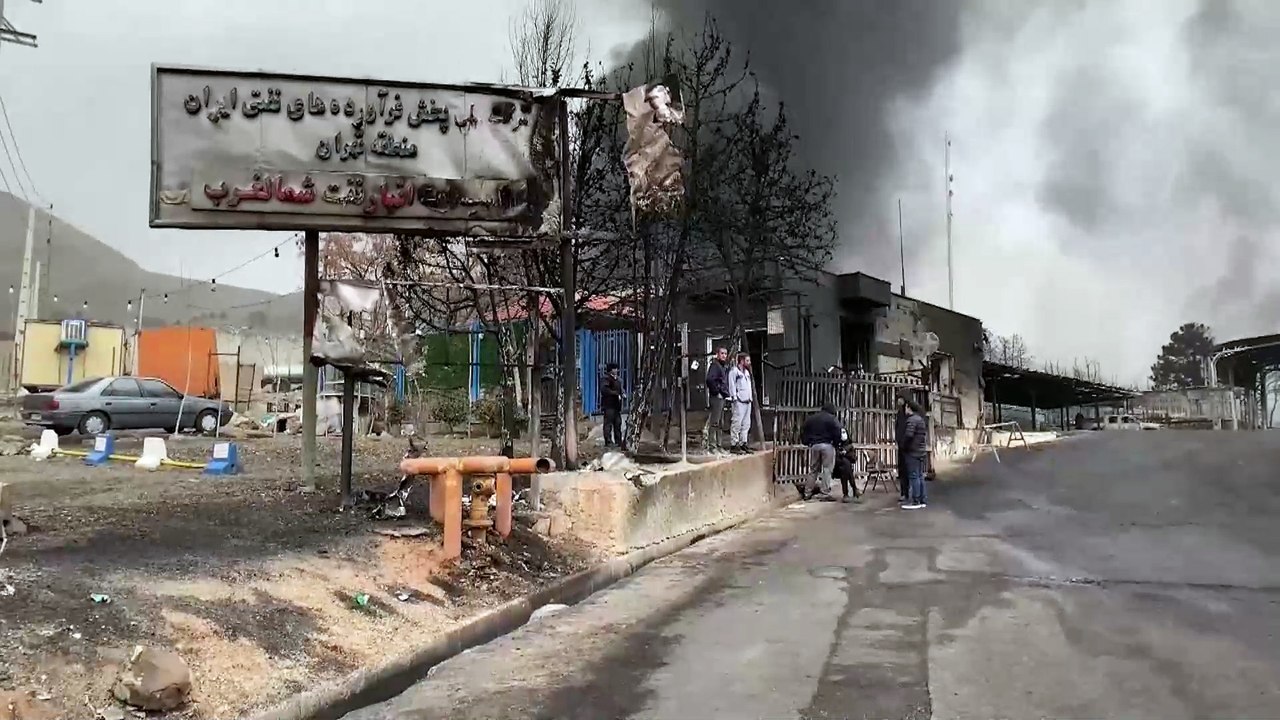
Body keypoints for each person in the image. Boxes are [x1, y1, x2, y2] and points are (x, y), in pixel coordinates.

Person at [799, 403, 842, 501]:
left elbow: (803, 430)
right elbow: (838, 431)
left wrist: (806, 442)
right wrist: (836, 444)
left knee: (813, 469)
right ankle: (824, 492)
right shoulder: (832, 419)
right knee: (827, 469)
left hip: (814, 445)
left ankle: (807, 492)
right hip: (827, 445)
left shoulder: (811, 419)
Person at [901, 399, 929, 509]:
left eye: (906, 407)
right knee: (920, 476)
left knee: (914, 476)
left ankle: (916, 500)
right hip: (921, 451)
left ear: (909, 407)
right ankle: (922, 499)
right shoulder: (921, 420)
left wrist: (903, 445)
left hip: (913, 452)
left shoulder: (912, 420)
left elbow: (909, 435)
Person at [703, 347, 731, 451]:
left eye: (725, 353)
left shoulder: (721, 366)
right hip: (717, 398)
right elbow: (710, 379)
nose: (724, 355)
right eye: (722, 353)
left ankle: (719, 445)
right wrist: (717, 391)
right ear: (717, 354)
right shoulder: (715, 365)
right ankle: (712, 445)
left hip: (721, 397)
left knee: (720, 422)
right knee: (715, 422)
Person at [727, 352, 754, 453]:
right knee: (737, 423)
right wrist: (734, 397)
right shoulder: (734, 372)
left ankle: (743, 442)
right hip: (739, 401)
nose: (749, 362)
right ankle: (734, 443)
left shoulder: (746, 372)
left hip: (747, 400)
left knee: (746, 424)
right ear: (742, 361)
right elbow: (732, 385)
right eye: (747, 360)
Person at [600, 362, 625, 449]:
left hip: (617, 406)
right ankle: (608, 441)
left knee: (618, 423)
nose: (616, 370)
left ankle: (618, 441)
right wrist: (615, 394)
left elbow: (621, 389)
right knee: (608, 424)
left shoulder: (618, 379)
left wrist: (622, 394)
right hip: (608, 405)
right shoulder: (605, 379)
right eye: (615, 369)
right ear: (611, 370)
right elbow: (604, 390)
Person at [894, 395, 910, 503]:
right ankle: (903, 493)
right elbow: (897, 427)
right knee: (902, 471)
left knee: (909, 471)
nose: (898, 401)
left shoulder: (908, 414)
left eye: (900, 398)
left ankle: (910, 493)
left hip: (908, 446)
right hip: (901, 446)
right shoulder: (899, 413)